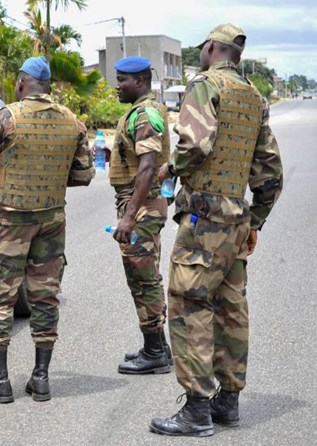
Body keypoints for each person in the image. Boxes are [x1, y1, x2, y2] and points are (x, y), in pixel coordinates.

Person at [150, 24, 283, 436]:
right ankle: (228, 402)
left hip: (204, 219)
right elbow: (271, 173)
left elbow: (194, 146)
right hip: (237, 219)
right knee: (230, 308)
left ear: (211, 48)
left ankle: (195, 410)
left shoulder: (205, 86)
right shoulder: (253, 96)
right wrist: (254, 221)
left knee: (190, 304)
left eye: (202, 51)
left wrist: (170, 171)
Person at [0, 56, 93, 403]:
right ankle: (40, 378)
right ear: (48, 86)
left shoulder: (5, 118)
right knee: (45, 296)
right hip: (51, 221)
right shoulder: (73, 123)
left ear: (22, 83)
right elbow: (83, 176)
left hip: (9, 222)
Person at [107, 56, 172, 375]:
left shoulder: (144, 114)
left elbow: (147, 166)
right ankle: (156, 345)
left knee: (142, 278)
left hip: (142, 205)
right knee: (147, 276)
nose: (117, 86)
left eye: (122, 80)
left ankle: (156, 351)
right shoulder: (144, 111)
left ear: (140, 82)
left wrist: (129, 216)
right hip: (145, 203)